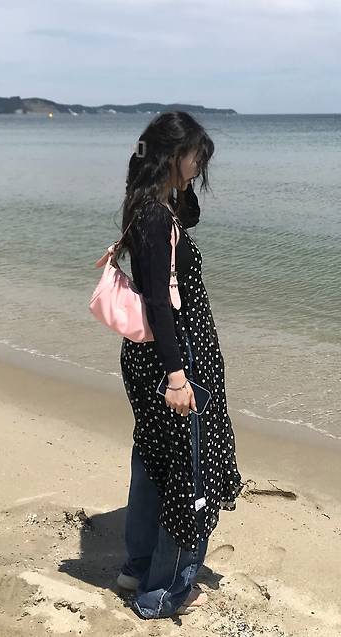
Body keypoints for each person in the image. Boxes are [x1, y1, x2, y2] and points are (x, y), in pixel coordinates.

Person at [114, 111, 244, 620]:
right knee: (187, 472)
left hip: (155, 357)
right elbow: (158, 302)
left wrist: (174, 179)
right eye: (194, 157)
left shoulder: (150, 206)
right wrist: (176, 376)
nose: (200, 166)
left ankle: (137, 566)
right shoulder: (154, 217)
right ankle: (165, 590)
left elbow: (190, 218)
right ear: (172, 155)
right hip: (174, 360)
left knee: (153, 461)